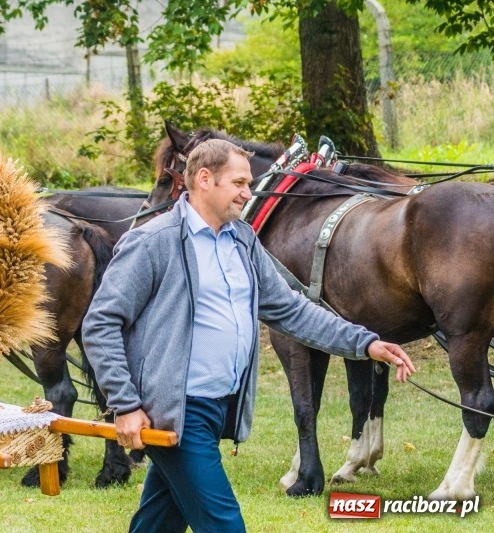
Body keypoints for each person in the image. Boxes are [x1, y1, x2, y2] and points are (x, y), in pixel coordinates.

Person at [82, 139, 417, 532]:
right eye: (239, 183)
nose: (248, 192)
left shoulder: (241, 239)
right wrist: (125, 403)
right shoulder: (154, 241)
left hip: (216, 406)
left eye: (249, 182)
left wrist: (364, 342)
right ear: (204, 179)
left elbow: (290, 309)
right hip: (174, 410)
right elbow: (101, 322)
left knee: (158, 522)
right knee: (226, 524)